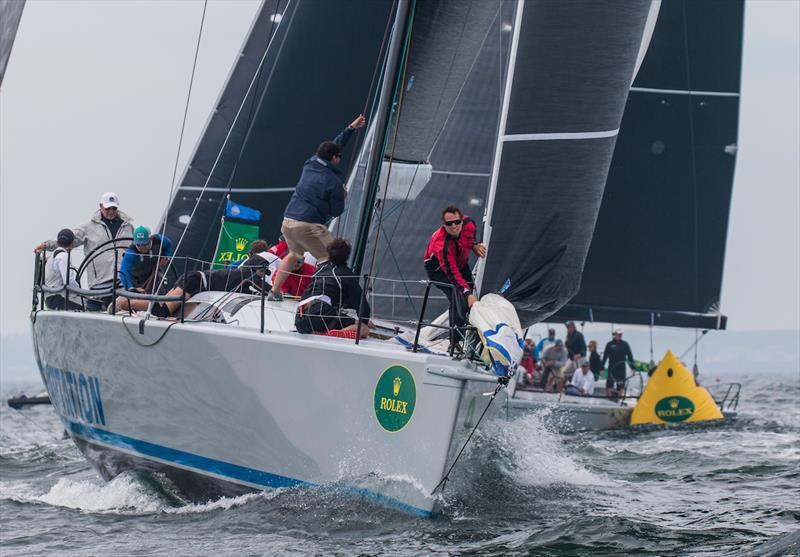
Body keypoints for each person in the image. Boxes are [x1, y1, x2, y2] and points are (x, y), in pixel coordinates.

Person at [268, 115, 367, 301]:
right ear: (334, 158)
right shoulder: (334, 182)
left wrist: (351, 128)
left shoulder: (311, 162)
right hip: (309, 226)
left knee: (293, 254)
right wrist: (342, 195)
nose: (341, 158)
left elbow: (335, 144)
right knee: (331, 261)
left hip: (288, 222)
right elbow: (336, 212)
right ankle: (320, 299)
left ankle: (274, 291)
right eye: (340, 156)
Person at [35, 192, 135, 310]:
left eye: (114, 208)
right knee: (101, 311)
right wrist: (46, 245)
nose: (111, 211)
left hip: (123, 282)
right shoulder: (88, 226)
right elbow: (67, 240)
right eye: (108, 208)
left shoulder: (128, 227)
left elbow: (138, 248)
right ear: (101, 206)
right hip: (99, 284)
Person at [423, 205, 486, 344]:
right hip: (439, 269)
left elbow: (469, 238)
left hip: (460, 264)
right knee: (459, 298)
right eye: (449, 224)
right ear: (443, 225)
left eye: (457, 222)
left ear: (462, 221)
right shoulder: (442, 244)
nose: (454, 226)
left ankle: (467, 340)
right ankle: (455, 343)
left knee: (471, 296)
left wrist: (474, 245)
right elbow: (452, 274)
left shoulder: (469, 224)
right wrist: (466, 294)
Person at [294, 239, 371, 337]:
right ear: (347, 256)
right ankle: (332, 335)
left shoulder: (320, 269)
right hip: (320, 310)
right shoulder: (345, 273)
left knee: (322, 320)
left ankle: (320, 331)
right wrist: (363, 320)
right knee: (364, 329)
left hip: (300, 316)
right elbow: (360, 302)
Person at [119, 226, 173, 290]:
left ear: (151, 238)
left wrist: (166, 256)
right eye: (139, 245)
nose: (142, 247)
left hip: (154, 277)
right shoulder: (131, 253)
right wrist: (131, 288)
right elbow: (124, 271)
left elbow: (168, 244)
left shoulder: (159, 240)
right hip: (136, 280)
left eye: (145, 244)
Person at [42, 229, 82, 310]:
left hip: (50, 297)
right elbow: (68, 281)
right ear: (73, 243)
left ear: (57, 242)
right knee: (86, 308)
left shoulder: (54, 254)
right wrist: (81, 292)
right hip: (58, 298)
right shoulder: (63, 256)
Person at [603, 328, 634, 397]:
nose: (620, 335)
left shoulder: (625, 344)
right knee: (609, 386)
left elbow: (630, 356)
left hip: (621, 369)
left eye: (621, 334)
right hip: (612, 369)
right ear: (615, 335)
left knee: (621, 387)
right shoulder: (609, 344)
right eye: (619, 334)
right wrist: (601, 368)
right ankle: (609, 399)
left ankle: (619, 400)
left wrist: (633, 368)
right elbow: (605, 357)